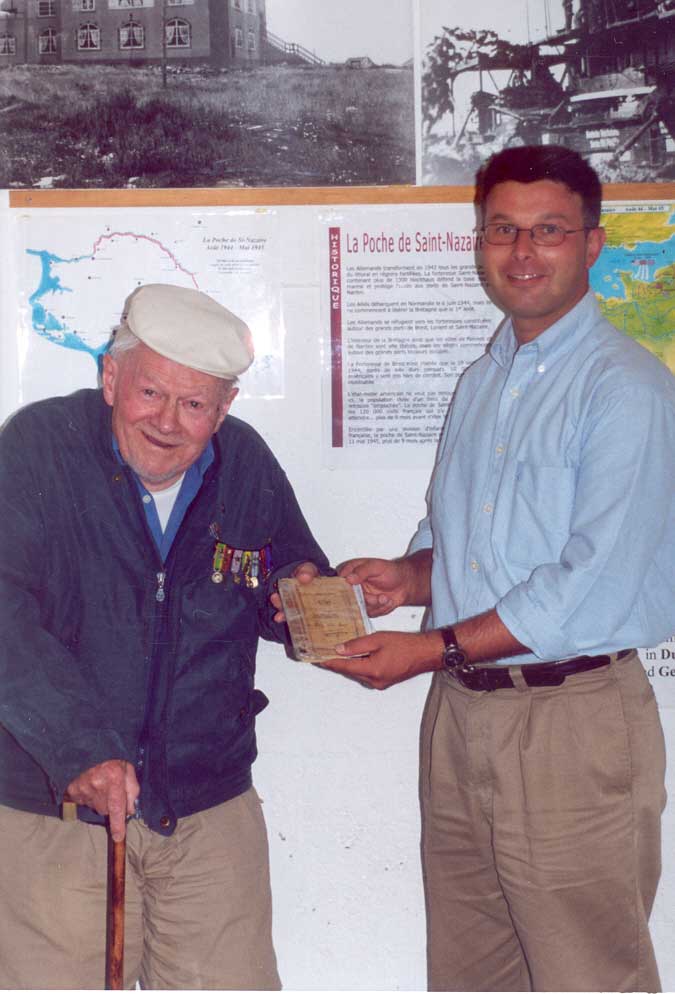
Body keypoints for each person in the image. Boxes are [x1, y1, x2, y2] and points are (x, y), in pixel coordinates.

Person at [316, 146, 675, 991]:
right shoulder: (485, 379)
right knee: (469, 976)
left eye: (547, 231)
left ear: (592, 244)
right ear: (478, 241)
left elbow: (588, 579)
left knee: (588, 976)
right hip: (462, 719)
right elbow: (475, 545)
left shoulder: (625, 388)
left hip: (569, 723)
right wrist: (407, 579)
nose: (521, 253)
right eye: (501, 231)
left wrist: (429, 647)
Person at [0, 283, 328, 990]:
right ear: (111, 377)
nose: (169, 423)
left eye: (195, 404)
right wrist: (80, 749)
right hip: (57, 806)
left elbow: (287, 572)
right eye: (151, 393)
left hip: (207, 805)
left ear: (225, 407)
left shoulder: (244, 462)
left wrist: (306, 600)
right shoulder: (36, 448)